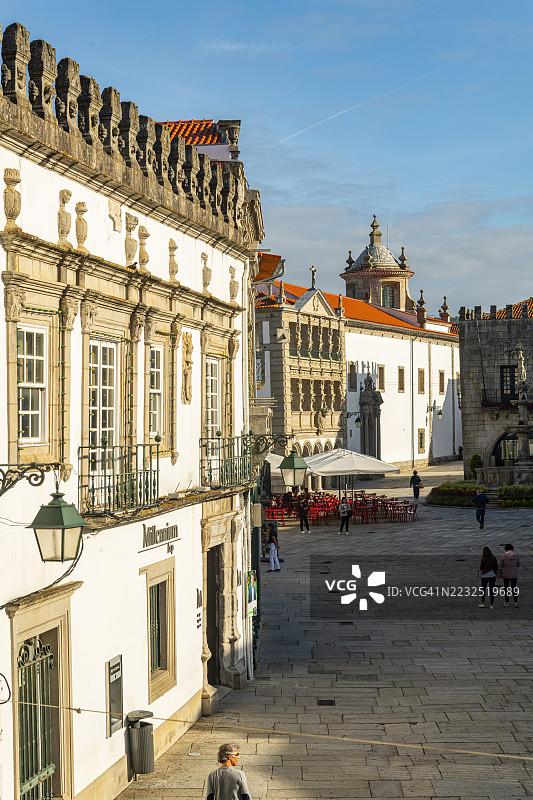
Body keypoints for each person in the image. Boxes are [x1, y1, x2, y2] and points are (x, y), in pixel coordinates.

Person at [500, 543, 520, 608]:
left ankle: (507, 601)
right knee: (514, 587)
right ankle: (516, 602)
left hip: (506, 574)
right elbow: (518, 565)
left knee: (506, 588)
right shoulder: (516, 555)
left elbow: (501, 565)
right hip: (514, 574)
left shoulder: (503, 556)